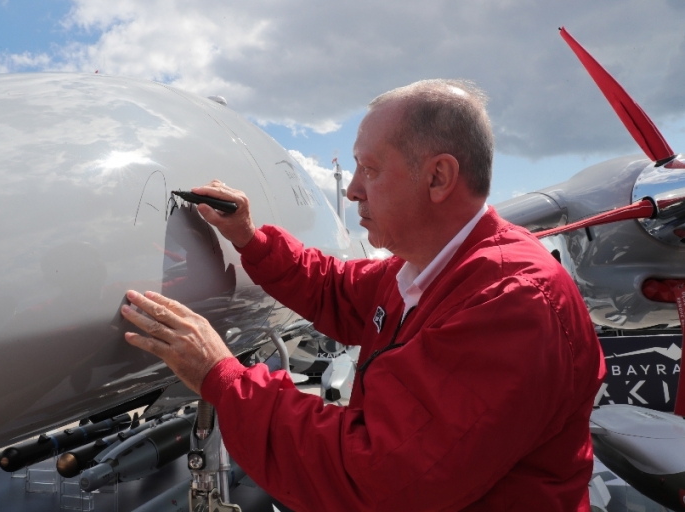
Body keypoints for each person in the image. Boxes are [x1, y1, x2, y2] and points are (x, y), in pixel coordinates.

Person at [120, 79, 605, 511]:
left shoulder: (511, 303)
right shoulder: (430, 270)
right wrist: (250, 237)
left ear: (438, 177)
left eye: (369, 169)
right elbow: (334, 289)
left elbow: (374, 478)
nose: (352, 191)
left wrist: (220, 376)